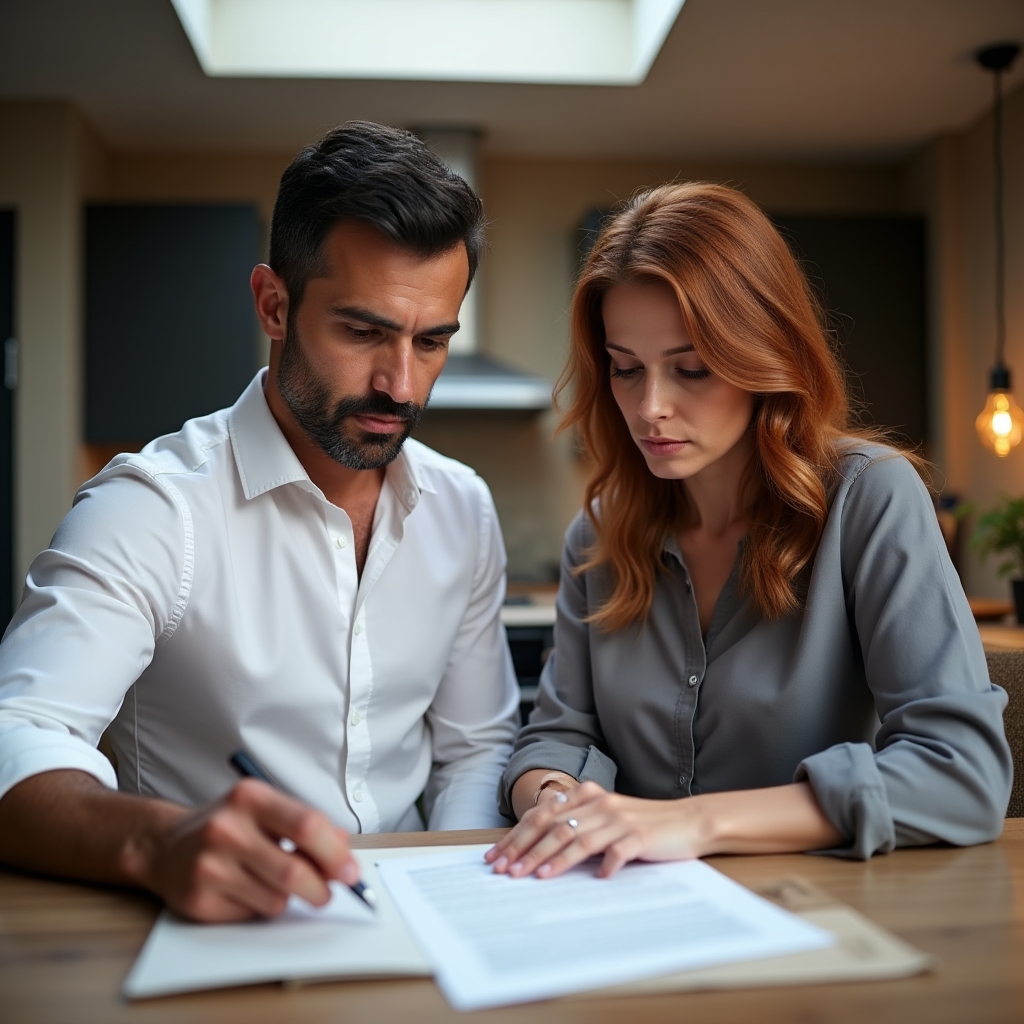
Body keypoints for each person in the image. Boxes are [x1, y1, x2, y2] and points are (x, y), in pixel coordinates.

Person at [0, 121, 520, 921]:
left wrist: (459, 895)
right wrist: (155, 843)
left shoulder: (464, 508)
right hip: (213, 926)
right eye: (363, 332)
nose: (401, 385)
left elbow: (475, 748)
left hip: (418, 921)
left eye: (431, 342)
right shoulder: (152, 508)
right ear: (274, 305)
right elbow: (19, 732)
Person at [486, 182, 1012, 881]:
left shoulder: (869, 497)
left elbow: (963, 774)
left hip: (827, 908)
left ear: (764, 356)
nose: (650, 407)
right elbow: (557, 735)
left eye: (692, 369)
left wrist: (695, 822)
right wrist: (558, 803)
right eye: (626, 369)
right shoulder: (599, 534)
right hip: (628, 902)